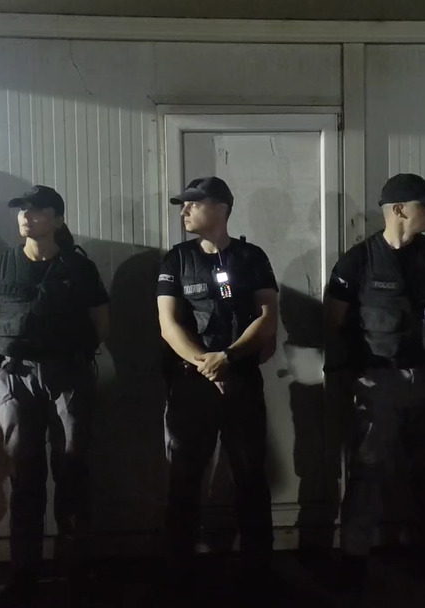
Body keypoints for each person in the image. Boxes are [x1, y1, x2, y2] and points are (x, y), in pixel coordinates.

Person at [323, 173, 425, 583]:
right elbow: (334, 320)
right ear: (399, 210)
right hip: (378, 383)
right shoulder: (358, 260)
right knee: (368, 472)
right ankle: (354, 561)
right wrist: (356, 376)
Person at [0, 185, 109, 605]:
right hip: (16, 378)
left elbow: (100, 321)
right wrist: (7, 366)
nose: (26, 217)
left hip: (67, 374)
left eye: (36, 211)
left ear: (56, 219)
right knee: (25, 475)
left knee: (73, 472)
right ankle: (24, 575)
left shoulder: (78, 266)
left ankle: (77, 571)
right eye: (22, 210)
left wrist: (71, 358)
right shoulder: (2, 265)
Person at [156, 176, 279, 586]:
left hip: (241, 380)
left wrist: (229, 357)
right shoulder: (177, 259)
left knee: (250, 475)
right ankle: (178, 569)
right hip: (191, 385)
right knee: (185, 478)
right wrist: (205, 364)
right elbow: (168, 324)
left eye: (194, 203)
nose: (184, 211)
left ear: (222, 208)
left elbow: (267, 317)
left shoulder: (251, 257)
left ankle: (259, 569)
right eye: (183, 204)